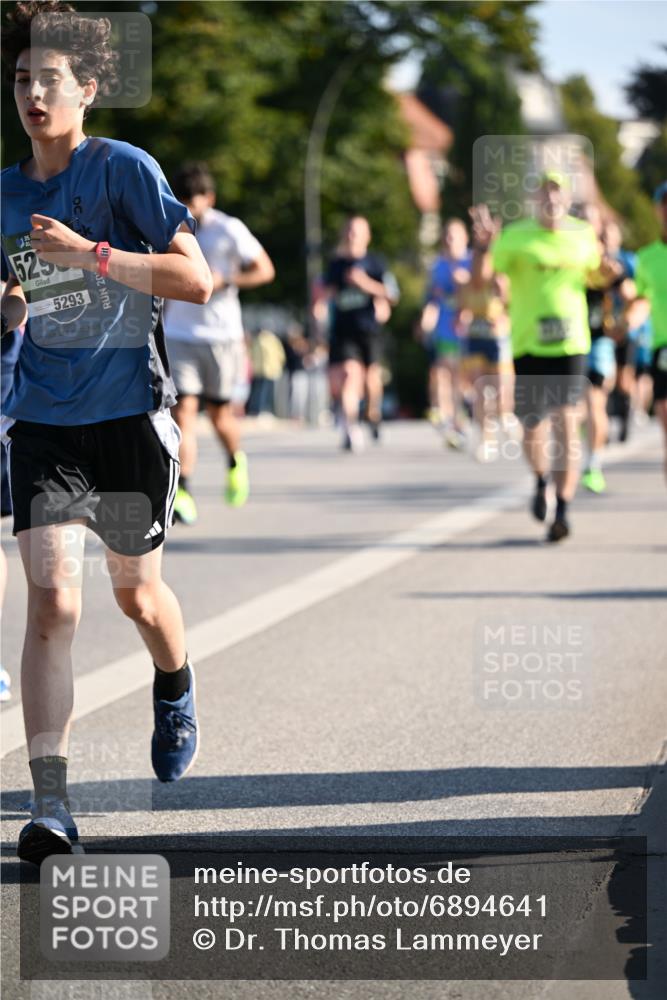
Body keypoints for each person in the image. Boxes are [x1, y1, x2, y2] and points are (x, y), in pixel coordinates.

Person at [0, 1, 213, 864]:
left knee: (136, 597)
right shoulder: (8, 191)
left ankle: (174, 681)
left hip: (127, 417)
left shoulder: (124, 170)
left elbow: (194, 280)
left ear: (87, 89)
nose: (32, 93)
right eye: (20, 79)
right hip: (45, 420)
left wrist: (91, 254)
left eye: (49, 79)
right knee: (53, 601)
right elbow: (23, 295)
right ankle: (51, 807)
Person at [472, 173, 613, 542]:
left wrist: (607, 273)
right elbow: (480, 281)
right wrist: (484, 247)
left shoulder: (583, 234)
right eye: (545, 190)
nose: (552, 197)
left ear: (567, 198)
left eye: (558, 190)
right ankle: (539, 480)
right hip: (528, 345)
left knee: (567, 421)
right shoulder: (516, 236)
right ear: (535, 197)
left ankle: (563, 509)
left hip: (571, 344)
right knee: (533, 426)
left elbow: (596, 276)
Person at [164, 162, 275, 524]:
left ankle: (234, 460)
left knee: (219, 415)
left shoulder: (230, 230)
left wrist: (227, 279)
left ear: (209, 198)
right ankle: (184, 491)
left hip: (221, 337)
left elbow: (265, 269)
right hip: (179, 334)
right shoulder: (169, 227)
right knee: (183, 414)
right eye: (180, 200)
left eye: (192, 201)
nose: (187, 208)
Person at [320, 216, 399, 451]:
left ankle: (373, 416)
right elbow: (326, 294)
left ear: (367, 236)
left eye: (357, 231)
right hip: (344, 331)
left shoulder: (376, 263)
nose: (352, 236)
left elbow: (392, 294)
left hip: (369, 330)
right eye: (349, 231)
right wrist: (319, 312)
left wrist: (365, 284)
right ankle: (350, 428)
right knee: (348, 375)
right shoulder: (336, 265)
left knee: (372, 379)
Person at [577, 209, 630, 493]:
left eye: (590, 220)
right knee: (574, 407)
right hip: (564, 341)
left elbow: (630, 295)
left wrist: (624, 323)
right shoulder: (565, 253)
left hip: (597, 340)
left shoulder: (607, 261)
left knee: (595, 401)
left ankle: (593, 465)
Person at [458, 223, 515, 462]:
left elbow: (513, 306)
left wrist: (504, 302)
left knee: (501, 389)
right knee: (481, 391)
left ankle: (506, 416)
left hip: (498, 338)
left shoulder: (502, 277)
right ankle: (486, 440)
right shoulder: (466, 280)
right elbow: (462, 309)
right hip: (476, 337)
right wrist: (464, 319)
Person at [419, 219, 472, 449]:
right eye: (447, 236)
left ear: (464, 238)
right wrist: (425, 321)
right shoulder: (438, 266)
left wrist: (466, 282)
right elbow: (433, 299)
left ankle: (460, 421)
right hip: (444, 329)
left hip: (470, 330)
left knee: (460, 381)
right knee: (442, 372)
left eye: (455, 235)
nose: (450, 240)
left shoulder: (472, 261)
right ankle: (447, 419)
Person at [634, 180, 667, 482]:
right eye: (665, 204)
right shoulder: (646, 257)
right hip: (663, 346)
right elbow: (640, 301)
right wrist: (627, 321)